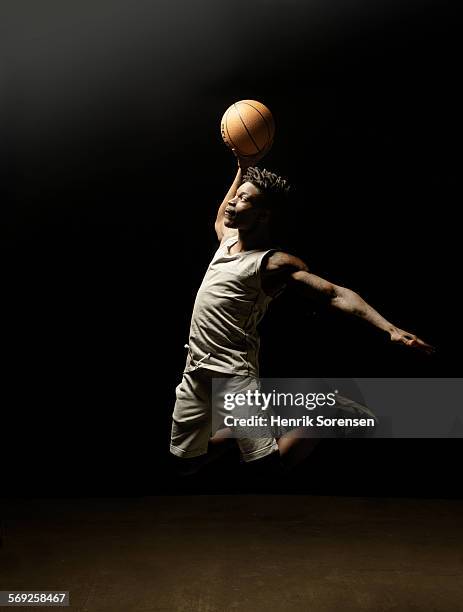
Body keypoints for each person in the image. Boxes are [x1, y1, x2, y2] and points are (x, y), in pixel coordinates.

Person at [169, 147, 434, 478]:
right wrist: (242, 167)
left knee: (269, 464)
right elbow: (221, 212)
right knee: (185, 461)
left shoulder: (271, 263)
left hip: (231, 371)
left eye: (244, 200)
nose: (234, 203)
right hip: (195, 366)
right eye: (236, 196)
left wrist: (391, 329)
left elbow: (334, 293)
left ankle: (325, 412)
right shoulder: (228, 239)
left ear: (263, 215)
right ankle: (263, 419)